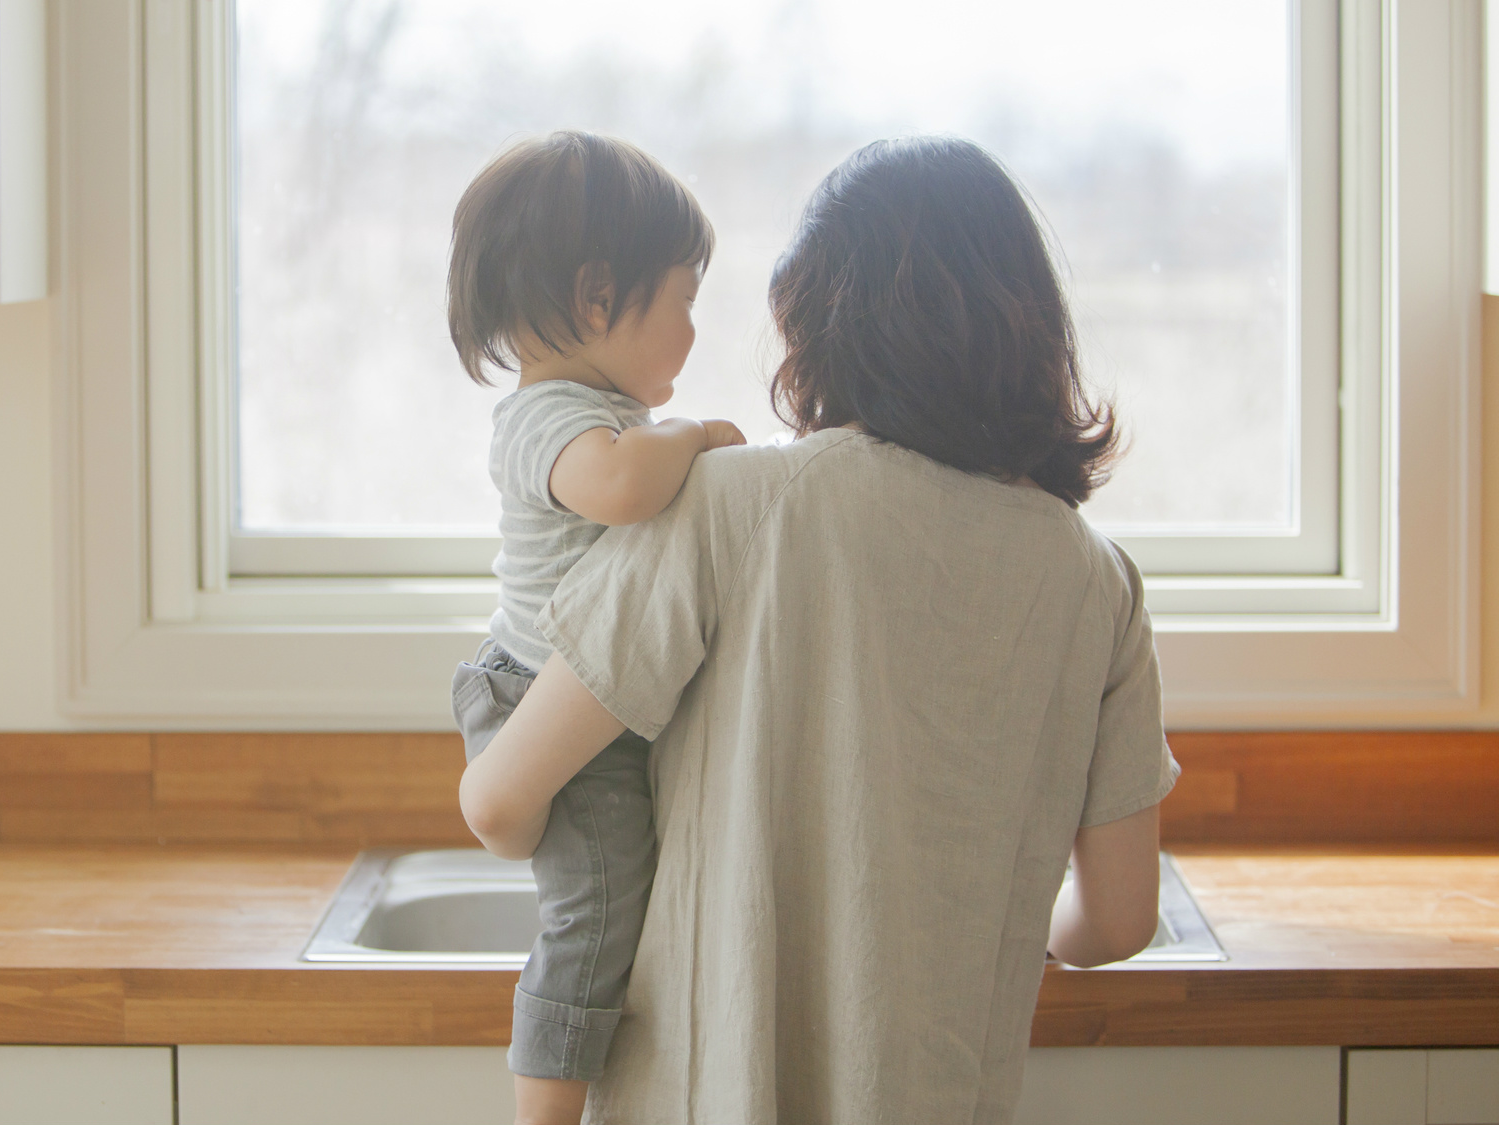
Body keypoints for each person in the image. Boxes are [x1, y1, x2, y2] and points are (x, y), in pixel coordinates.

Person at [460, 136, 1178, 1125]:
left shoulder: (733, 501)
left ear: (818, 326)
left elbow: (502, 789)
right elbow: (1117, 920)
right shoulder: (1096, 580)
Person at [444, 130, 747, 1125]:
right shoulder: (548, 418)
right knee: (593, 919)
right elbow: (617, 490)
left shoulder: (591, 412)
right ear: (595, 298)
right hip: (540, 706)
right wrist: (692, 435)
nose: (694, 331)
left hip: (582, 714)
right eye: (684, 300)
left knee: (618, 908)